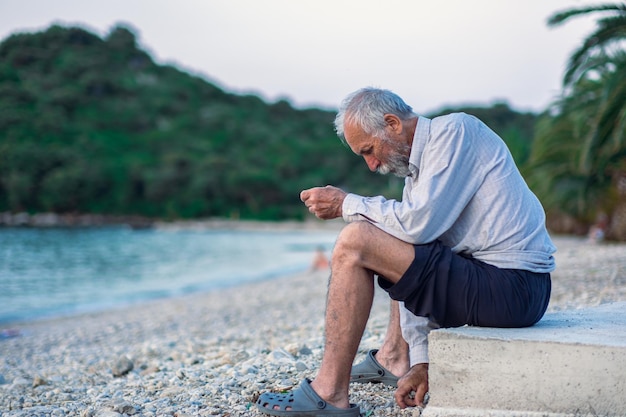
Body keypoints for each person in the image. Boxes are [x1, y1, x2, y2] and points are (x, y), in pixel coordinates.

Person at [256, 87, 555, 416]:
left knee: (355, 240)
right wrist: (422, 360)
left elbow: (417, 226)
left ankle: (328, 395)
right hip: (501, 284)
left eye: (369, 150)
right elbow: (416, 245)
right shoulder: (419, 173)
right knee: (385, 231)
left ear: (392, 123)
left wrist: (346, 204)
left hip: (514, 286)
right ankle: (396, 357)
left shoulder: (455, 132)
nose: (371, 165)